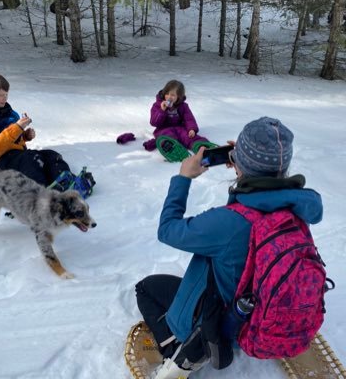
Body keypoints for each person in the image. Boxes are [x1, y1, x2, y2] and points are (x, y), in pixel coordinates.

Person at [135, 117, 323, 378]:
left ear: (240, 165)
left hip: (222, 322)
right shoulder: (297, 208)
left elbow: (167, 230)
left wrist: (183, 178)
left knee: (146, 288)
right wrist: (247, 172)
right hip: (258, 314)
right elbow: (249, 217)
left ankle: (184, 349)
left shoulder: (227, 223)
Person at [0, 72, 95, 197]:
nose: (4, 98)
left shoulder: (5, 110)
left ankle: (65, 181)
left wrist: (24, 136)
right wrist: (17, 128)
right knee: (32, 160)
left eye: (6, 95)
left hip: (14, 154)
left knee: (50, 155)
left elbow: (10, 137)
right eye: (0, 95)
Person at [143, 80, 215, 157]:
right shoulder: (157, 105)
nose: (169, 97)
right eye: (167, 94)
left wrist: (192, 129)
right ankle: (171, 150)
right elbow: (154, 122)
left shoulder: (183, 106)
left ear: (179, 97)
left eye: (173, 95)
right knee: (167, 137)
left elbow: (189, 119)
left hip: (180, 128)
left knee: (188, 137)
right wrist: (162, 110)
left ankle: (201, 147)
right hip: (163, 129)